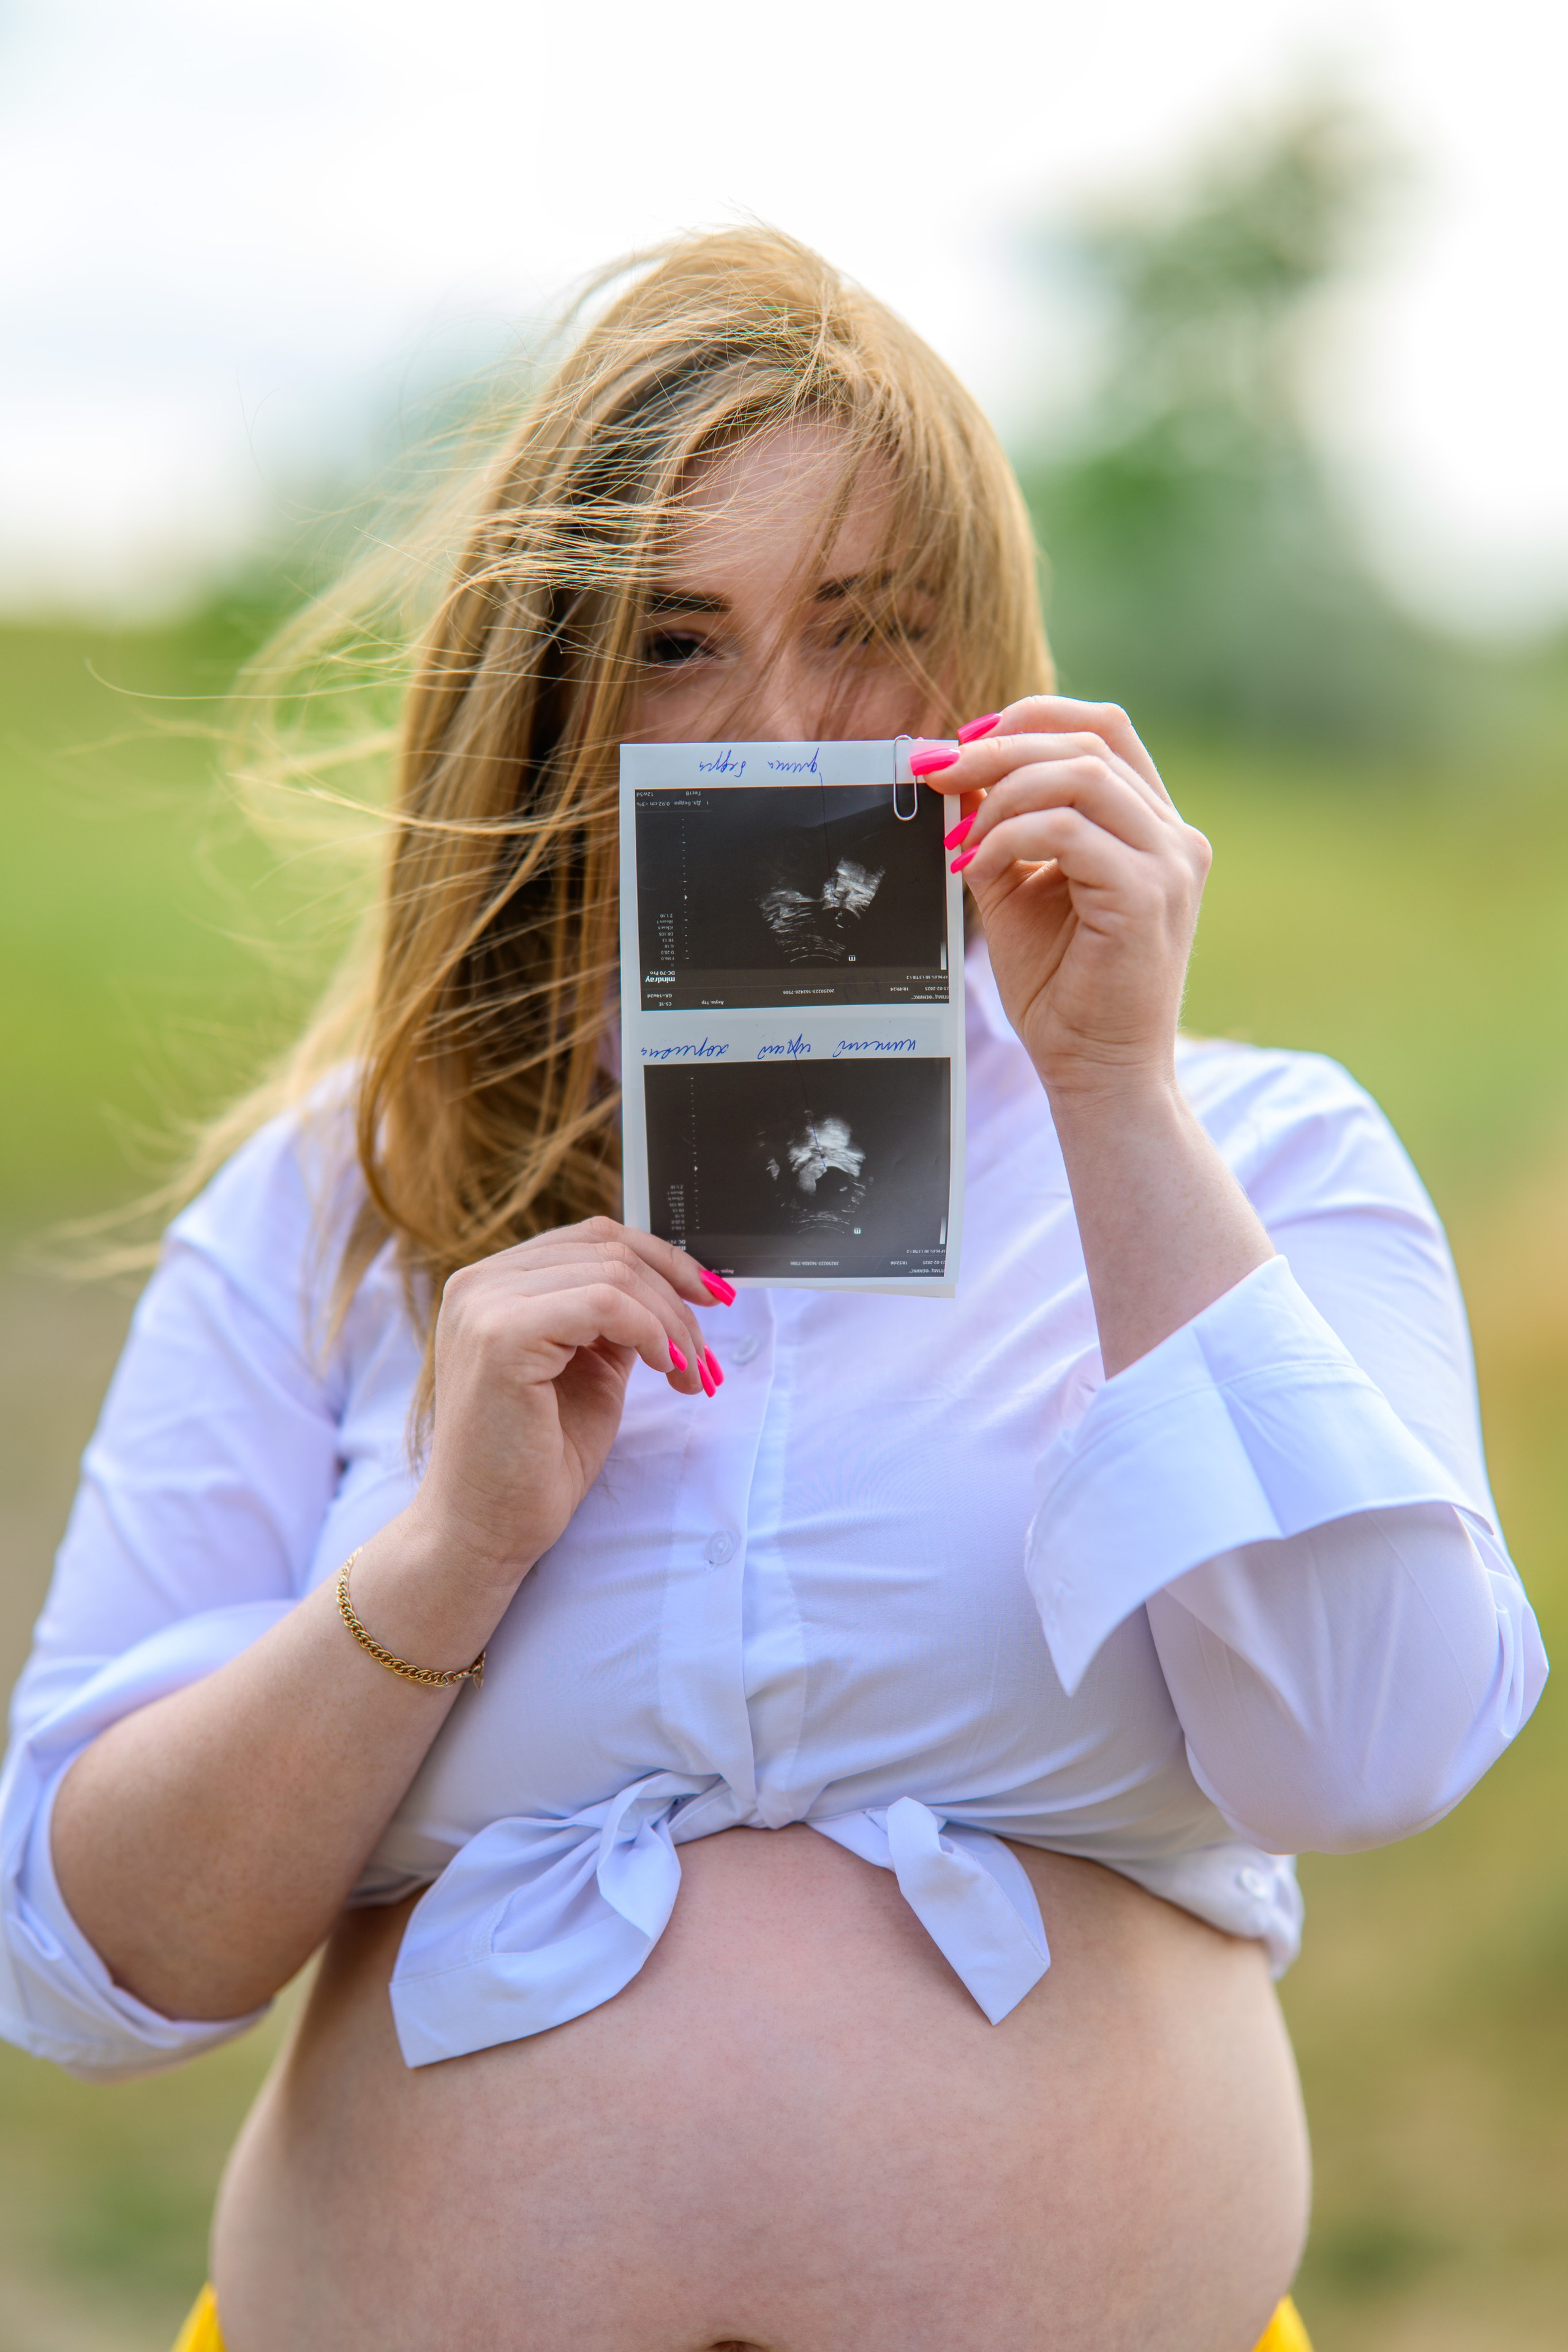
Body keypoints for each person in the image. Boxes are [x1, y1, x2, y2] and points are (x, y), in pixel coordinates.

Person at [0, 229, 1544, 2352]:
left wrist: (1109, 1095)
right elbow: (90, 1971)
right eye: (674, 639)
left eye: (868, 626)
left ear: (984, 672)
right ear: (550, 697)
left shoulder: (1258, 1150)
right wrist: (443, 1569)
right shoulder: (339, 1198)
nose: (783, 725)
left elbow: (1370, 1750)